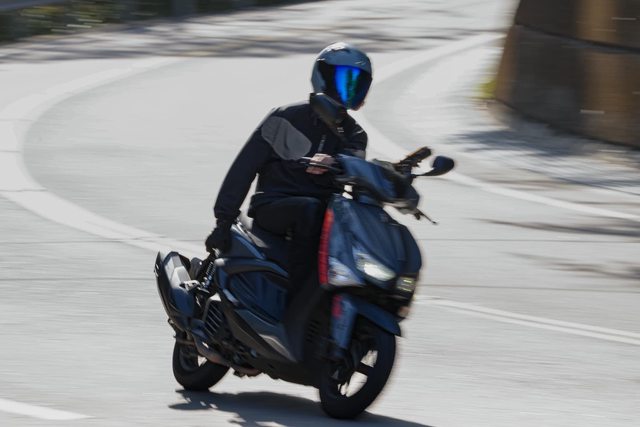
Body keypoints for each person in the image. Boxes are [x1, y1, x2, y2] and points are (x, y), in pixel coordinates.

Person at [205, 42, 373, 289]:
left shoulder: (355, 134)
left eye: (357, 83)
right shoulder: (285, 117)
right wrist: (223, 220)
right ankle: (299, 294)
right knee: (309, 209)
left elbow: (356, 167)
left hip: (324, 214)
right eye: (344, 80)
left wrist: (337, 163)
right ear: (323, 77)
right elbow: (244, 168)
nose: (350, 88)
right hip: (273, 205)